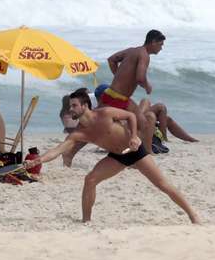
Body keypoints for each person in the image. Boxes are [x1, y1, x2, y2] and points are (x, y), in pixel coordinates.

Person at [24, 89, 200, 224]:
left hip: (135, 151)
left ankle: (193, 216)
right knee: (90, 179)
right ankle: (86, 221)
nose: (70, 109)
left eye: (74, 105)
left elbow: (131, 115)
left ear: (85, 106)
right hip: (117, 157)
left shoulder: (105, 113)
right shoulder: (79, 133)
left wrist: (133, 136)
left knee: (162, 184)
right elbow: (59, 149)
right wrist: (39, 160)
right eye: (70, 106)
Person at [103, 30, 166, 153]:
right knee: (144, 124)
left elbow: (111, 60)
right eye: (160, 44)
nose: (161, 48)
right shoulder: (144, 55)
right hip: (118, 98)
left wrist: (118, 76)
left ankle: (137, 149)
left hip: (112, 94)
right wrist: (147, 86)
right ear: (153, 42)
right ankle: (146, 152)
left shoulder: (132, 50)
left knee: (141, 122)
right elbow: (140, 78)